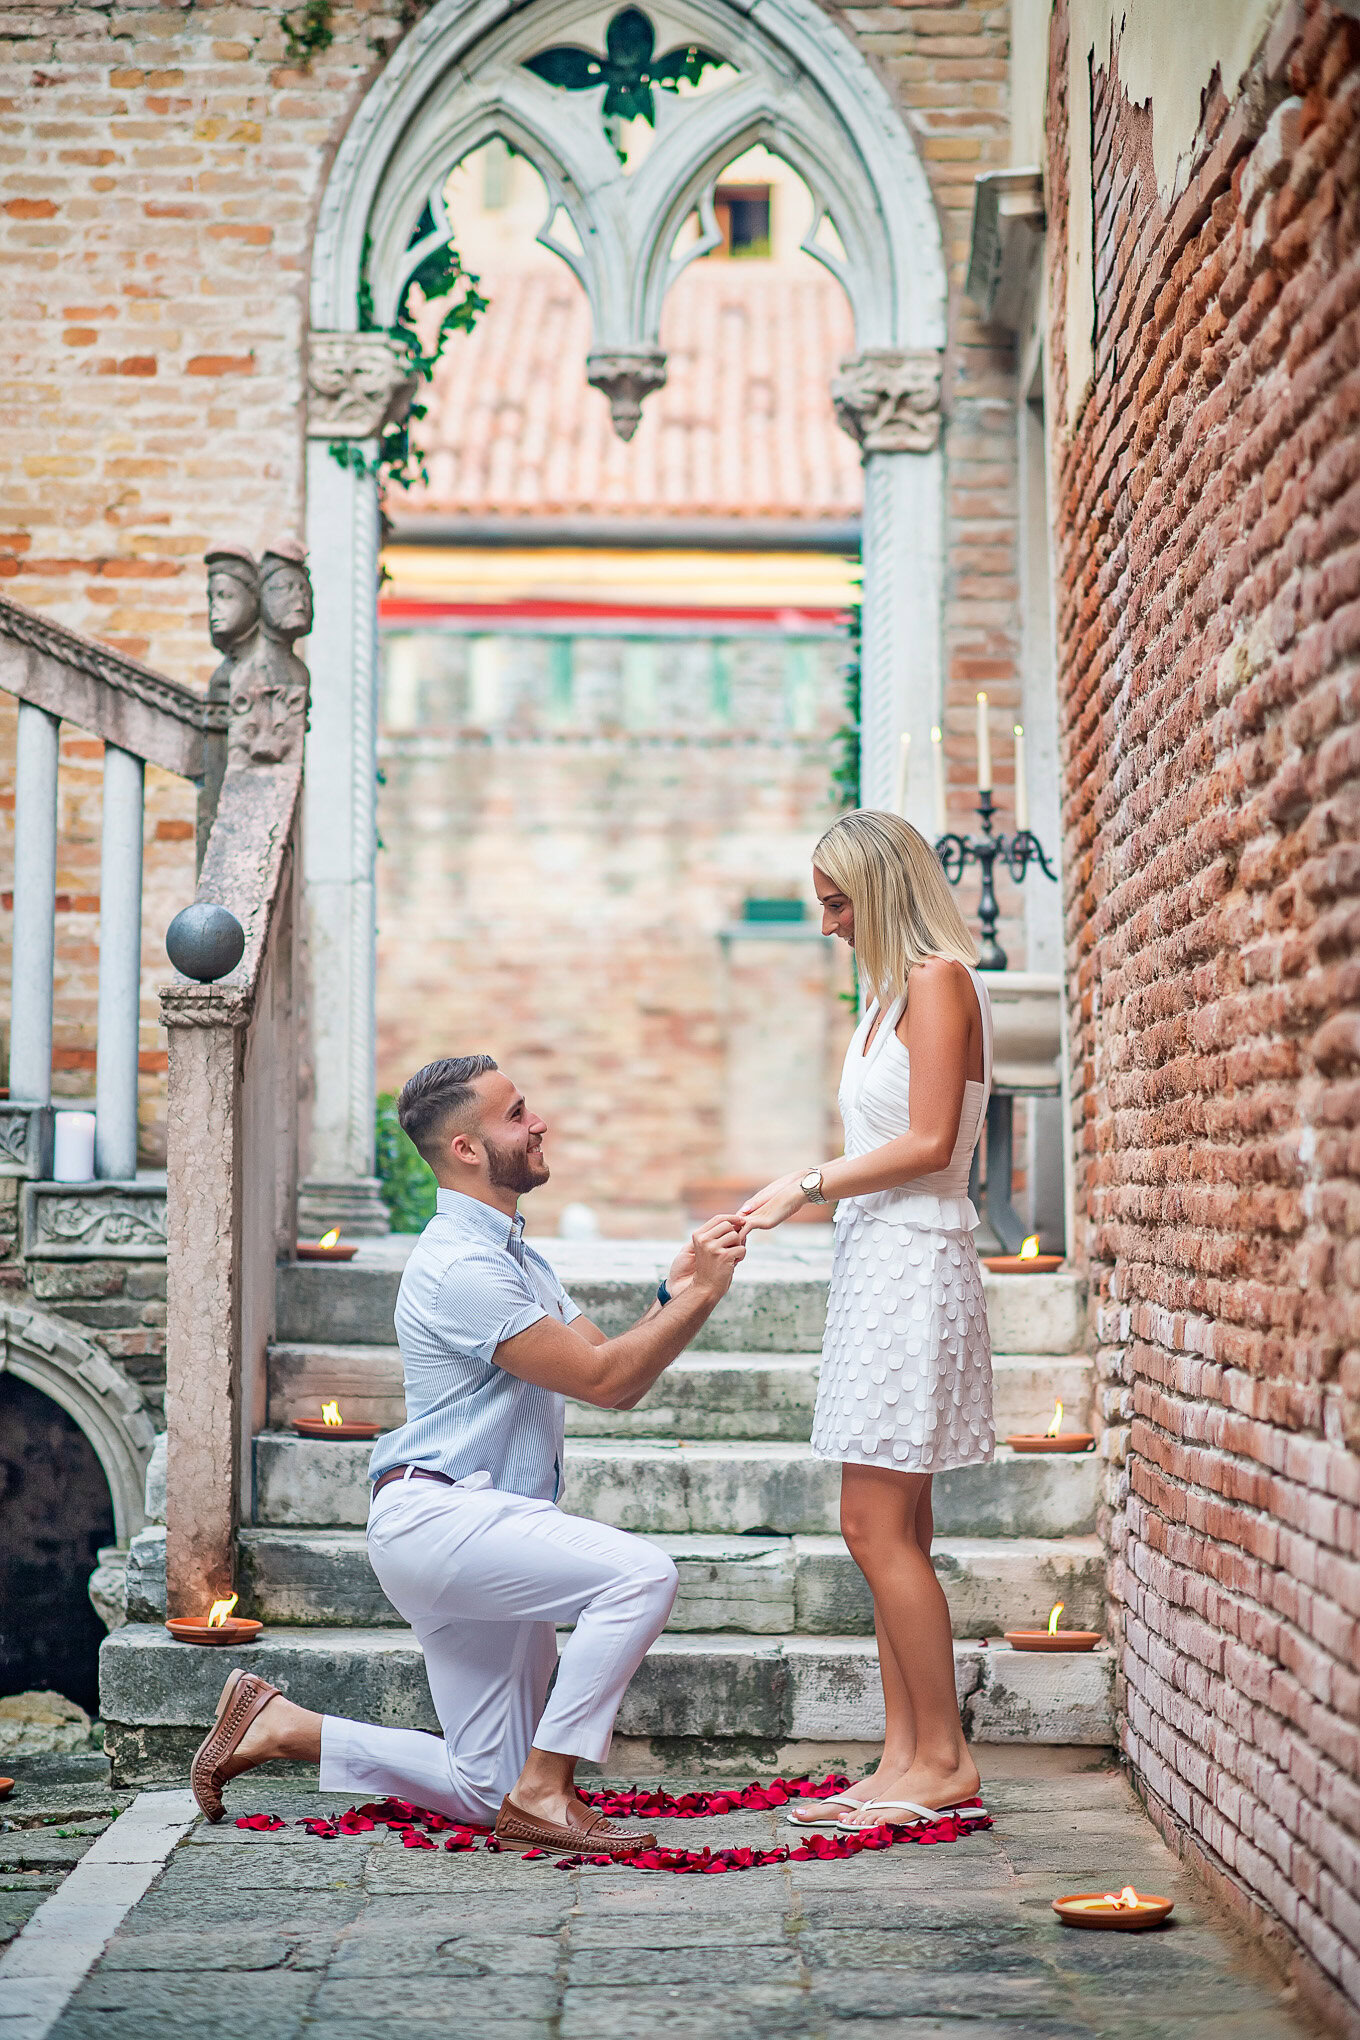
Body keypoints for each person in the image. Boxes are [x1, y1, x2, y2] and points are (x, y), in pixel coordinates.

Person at [189, 1054, 746, 1857]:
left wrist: (674, 1294)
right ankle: (550, 1789)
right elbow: (606, 1381)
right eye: (517, 1113)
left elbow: (610, 1361)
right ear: (467, 1150)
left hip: (482, 1525)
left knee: (488, 1790)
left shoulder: (516, 1256)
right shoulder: (463, 1267)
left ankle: (282, 1725)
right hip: (443, 1516)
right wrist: (705, 1297)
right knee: (642, 1575)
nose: (540, 1122)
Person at [737, 810, 993, 1832]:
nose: (830, 924)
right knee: (899, 1527)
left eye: (839, 903)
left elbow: (931, 1140)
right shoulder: (889, 996)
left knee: (870, 1524)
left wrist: (804, 1182)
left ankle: (943, 1757)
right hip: (875, 1258)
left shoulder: (938, 981)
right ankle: (902, 1755)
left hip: (914, 1260)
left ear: (882, 892)